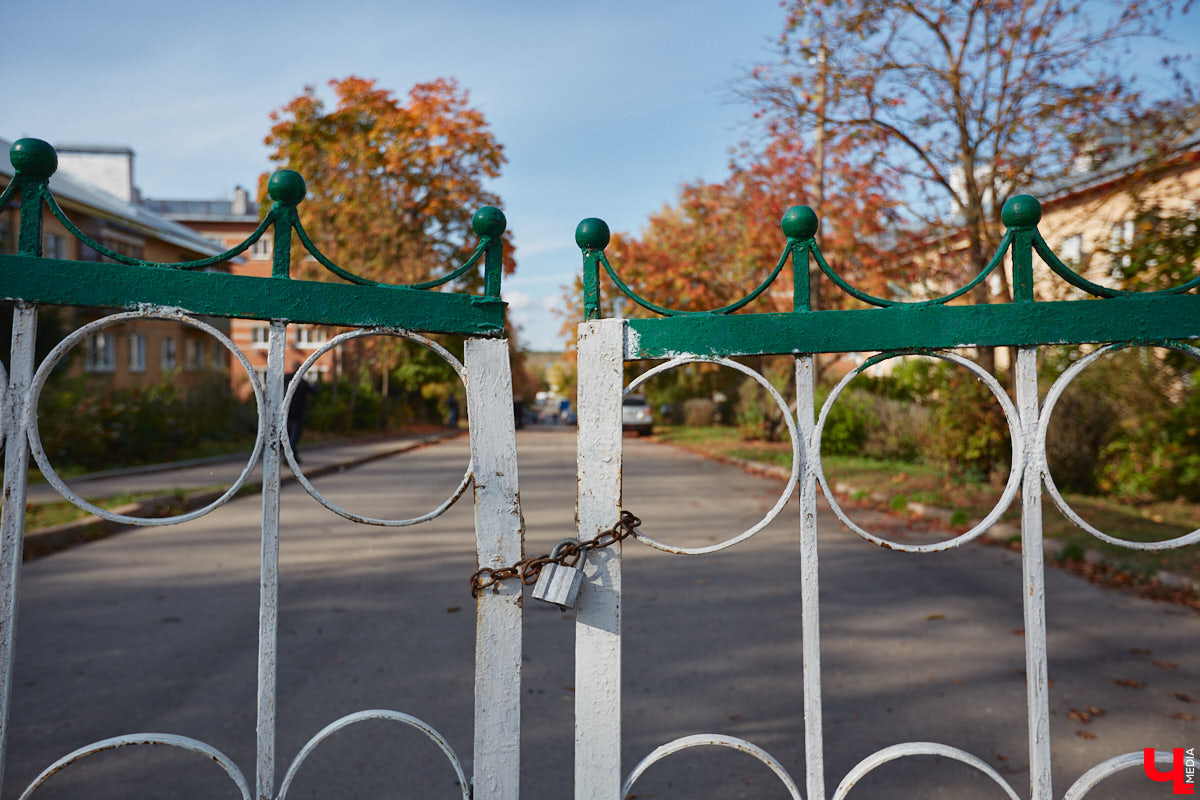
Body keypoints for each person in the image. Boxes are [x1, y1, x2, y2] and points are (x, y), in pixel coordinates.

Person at [284, 361, 316, 462]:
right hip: (297, 413)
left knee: (288, 434)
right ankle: (289, 456)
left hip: (285, 411)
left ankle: (292, 456)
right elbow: (314, 392)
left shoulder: (286, 378)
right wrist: (315, 385)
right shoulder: (302, 382)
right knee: (294, 435)